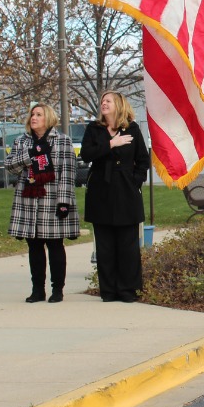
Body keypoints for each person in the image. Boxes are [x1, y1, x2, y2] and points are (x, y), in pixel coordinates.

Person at [6, 104, 80, 303]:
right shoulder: (21, 141)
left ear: (48, 118)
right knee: (34, 246)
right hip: (29, 201)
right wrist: (28, 156)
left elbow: (68, 172)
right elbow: (10, 166)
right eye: (32, 114)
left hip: (52, 198)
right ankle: (37, 290)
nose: (34, 117)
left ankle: (58, 290)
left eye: (39, 114)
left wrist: (64, 202)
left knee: (55, 245)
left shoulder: (62, 141)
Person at [80, 91, 150, 303]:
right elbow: (86, 155)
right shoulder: (94, 129)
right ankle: (108, 291)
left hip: (126, 190)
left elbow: (143, 161)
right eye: (102, 101)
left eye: (108, 101)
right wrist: (110, 144)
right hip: (101, 189)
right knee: (105, 245)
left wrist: (134, 181)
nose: (104, 104)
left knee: (127, 245)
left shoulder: (132, 129)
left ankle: (129, 290)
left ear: (119, 104)